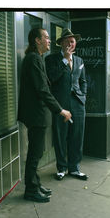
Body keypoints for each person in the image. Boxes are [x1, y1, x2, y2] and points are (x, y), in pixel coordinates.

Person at [18, 28, 72, 203]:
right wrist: (60, 110)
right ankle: (31, 190)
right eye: (47, 38)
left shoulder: (37, 58)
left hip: (38, 114)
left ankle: (35, 183)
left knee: (37, 152)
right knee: (35, 154)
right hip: (36, 115)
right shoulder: (33, 59)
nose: (49, 41)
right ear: (37, 41)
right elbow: (42, 90)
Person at [45, 28, 88, 181]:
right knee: (60, 136)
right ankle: (61, 168)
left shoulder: (80, 61)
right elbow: (51, 78)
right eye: (68, 41)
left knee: (77, 136)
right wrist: (65, 59)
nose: (71, 44)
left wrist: (83, 96)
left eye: (73, 41)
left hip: (78, 103)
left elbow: (83, 81)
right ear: (61, 44)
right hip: (60, 104)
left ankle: (74, 168)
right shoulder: (51, 59)